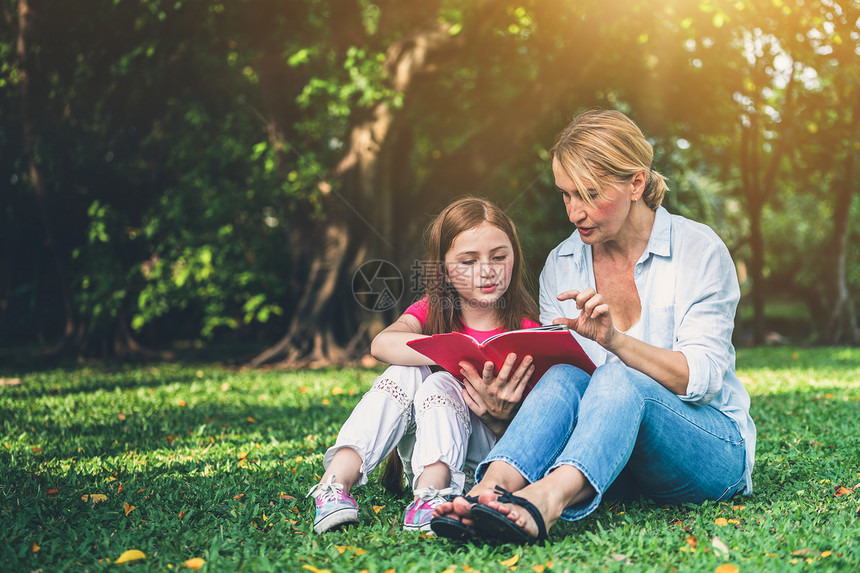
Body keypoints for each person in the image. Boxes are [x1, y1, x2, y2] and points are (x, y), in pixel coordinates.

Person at [431, 109, 756, 544]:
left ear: (636, 183)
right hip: (610, 461)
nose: (574, 212)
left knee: (619, 373)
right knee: (565, 373)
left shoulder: (699, 250)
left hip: (707, 452)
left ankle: (547, 498)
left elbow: (700, 379)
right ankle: (490, 489)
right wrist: (506, 406)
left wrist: (614, 341)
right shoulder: (563, 264)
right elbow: (559, 390)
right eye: (566, 195)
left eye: (589, 194)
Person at [307, 197, 541, 534]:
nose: (487, 270)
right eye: (468, 261)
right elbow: (382, 344)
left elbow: (538, 428)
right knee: (408, 370)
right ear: (444, 269)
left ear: (514, 257)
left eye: (499, 257)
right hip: (426, 445)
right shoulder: (433, 310)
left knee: (438, 382)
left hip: (486, 460)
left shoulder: (526, 329)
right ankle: (334, 486)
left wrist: (499, 415)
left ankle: (434, 492)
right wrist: (452, 352)